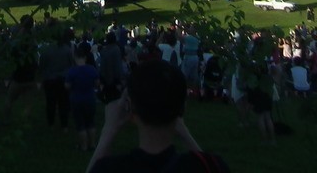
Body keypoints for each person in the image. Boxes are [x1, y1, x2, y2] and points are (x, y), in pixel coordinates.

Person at [86, 59, 229, 173]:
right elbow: (209, 166)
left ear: (130, 107)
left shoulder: (110, 169)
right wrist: (184, 132)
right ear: (182, 108)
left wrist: (109, 130)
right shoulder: (208, 165)